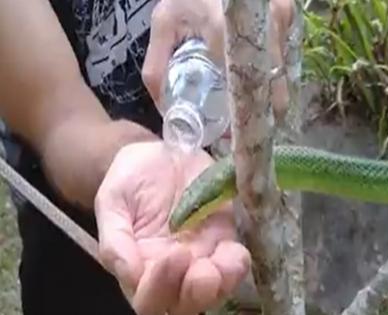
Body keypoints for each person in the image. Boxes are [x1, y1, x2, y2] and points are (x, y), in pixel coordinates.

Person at [0, 0, 295, 314]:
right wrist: (124, 159)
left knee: (188, 280)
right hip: (72, 239)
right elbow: (58, 114)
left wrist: (253, 15)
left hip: (184, 194)